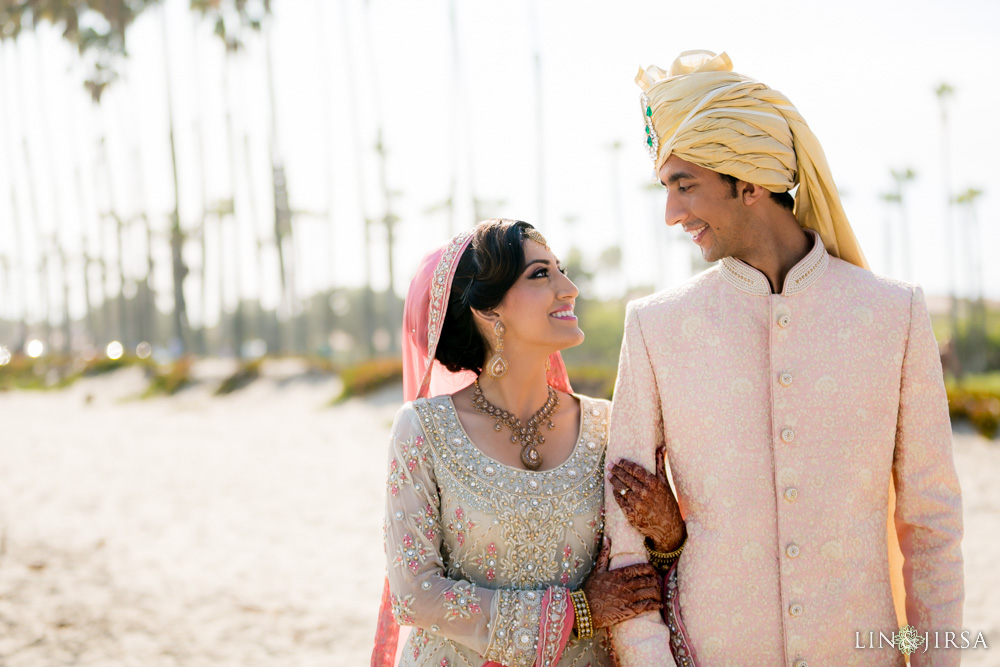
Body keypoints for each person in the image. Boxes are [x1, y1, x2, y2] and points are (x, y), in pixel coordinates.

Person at [604, 51, 964, 666]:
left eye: (684, 185)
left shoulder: (892, 316)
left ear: (747, 183)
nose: (672, 214)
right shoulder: (656, 328)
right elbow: (625, 546)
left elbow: (931, 529)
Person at [372, 219, 664, 667]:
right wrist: (577, 612)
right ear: (488, 311)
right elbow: (414, 594)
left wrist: (668, 533)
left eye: (560, 270)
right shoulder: (424, 430)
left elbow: (645, 574)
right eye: (540, 274)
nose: (569, 289)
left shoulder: (608, 424)